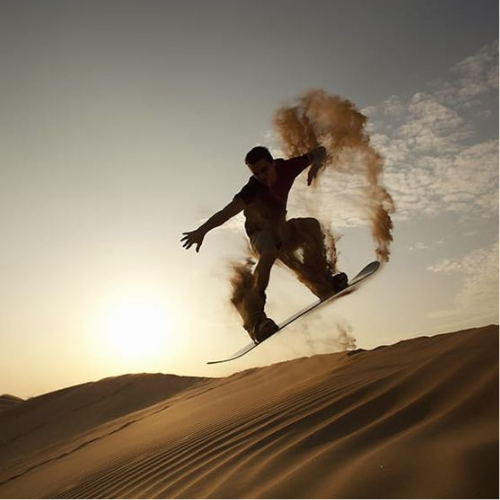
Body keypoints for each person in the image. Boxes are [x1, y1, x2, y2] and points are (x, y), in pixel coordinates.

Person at [181, 146, 348, 343]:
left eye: (264, 170)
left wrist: (317, 163)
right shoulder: (252, 189)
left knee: (311, 226)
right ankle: (255, 321)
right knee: (268, 252)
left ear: (272, 163)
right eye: (256, 173)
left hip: (281, 230)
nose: (261, 176)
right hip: (260, 235)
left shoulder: (287, 167)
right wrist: (202, 230)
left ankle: (323, 282)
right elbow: (227, 212)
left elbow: (319, 150)